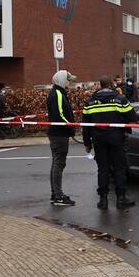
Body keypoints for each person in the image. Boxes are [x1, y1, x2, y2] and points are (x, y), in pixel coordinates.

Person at [83, 76, 139, 210]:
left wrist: (87, 143)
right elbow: (132, 116)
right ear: (111, 84)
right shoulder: (119, 99)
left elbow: (85, 125)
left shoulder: (90, 102)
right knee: (119, 168)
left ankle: (103, 200)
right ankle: (121, 198)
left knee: (103, 169)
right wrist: (137, 115)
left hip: (99, 140)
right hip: (116, 139)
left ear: (100, 85)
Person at [47, 70, 78, 206]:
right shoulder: (58, 94)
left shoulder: (58, 93)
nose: (70, 82)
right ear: (61, 80)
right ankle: (58, 196)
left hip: (57, 133)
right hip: (59, 134)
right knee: (59, 164)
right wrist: (71, 127)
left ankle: (56, 194)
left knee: (56, 164)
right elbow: (60, 115)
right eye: (68, 80)